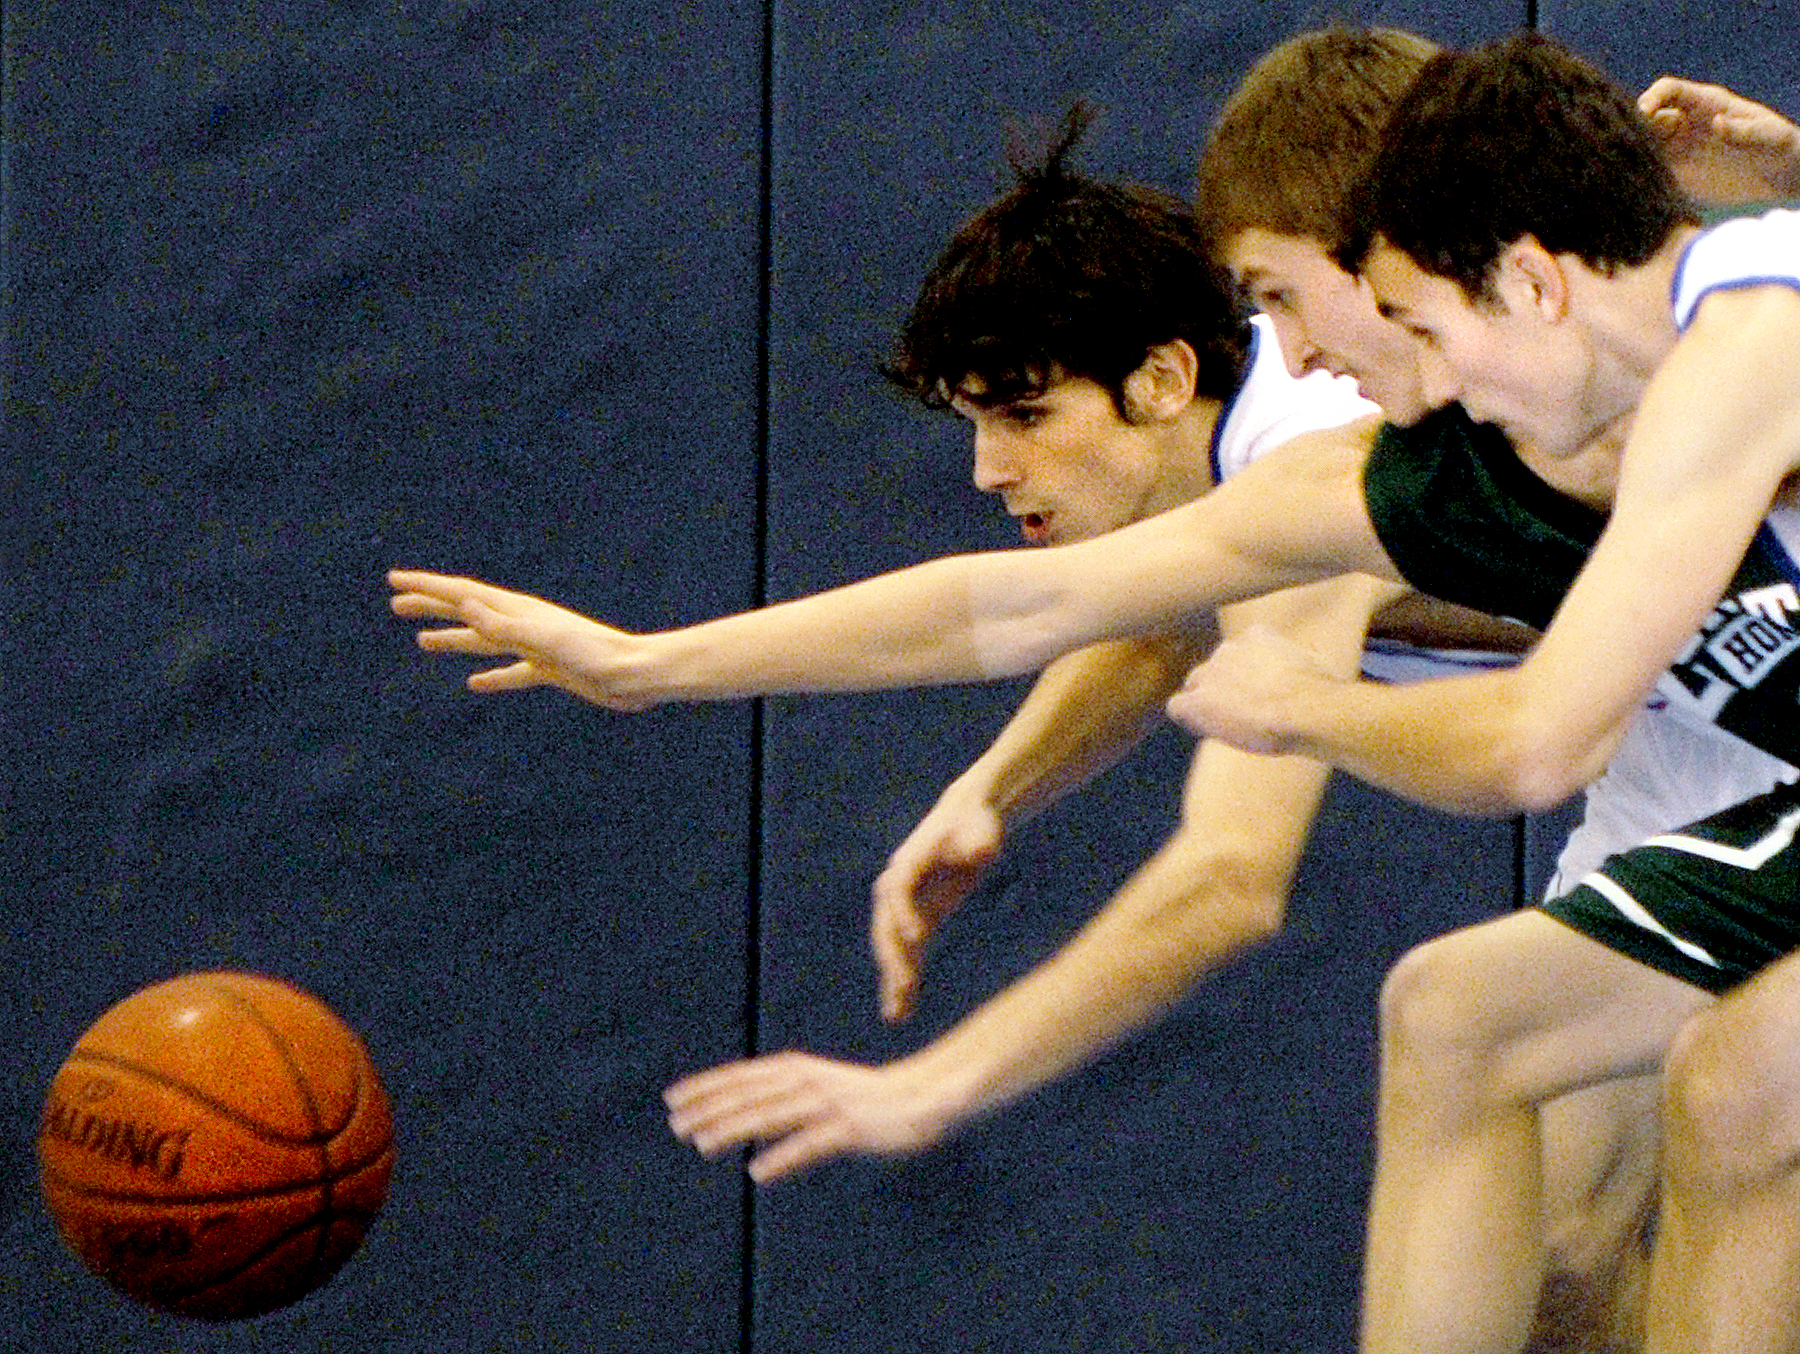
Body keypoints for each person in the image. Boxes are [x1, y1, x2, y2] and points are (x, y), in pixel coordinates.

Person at [387, 33, 1800, 1354]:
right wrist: (658, 669)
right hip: (1704, 765)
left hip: (1709, 757)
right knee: (1520, 1147)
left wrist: (935, 1083)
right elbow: (1066, 616)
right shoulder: (1399, 456)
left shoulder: (1639, 357)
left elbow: (1267, 849)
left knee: (1715, 1100)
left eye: (1305, 296)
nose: (1305, 343)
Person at [1165, 34, 1800, 1354]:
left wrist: (1310, 708)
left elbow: (1532, 744)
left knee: (1739, 1087)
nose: (1436, 373)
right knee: (1486, 1044)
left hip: (1721, 779)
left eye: (1422, 326)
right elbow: (1036, 608)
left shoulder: (1745, 324)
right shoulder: (1443, 446)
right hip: (1716, 805)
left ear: (1528, 278)